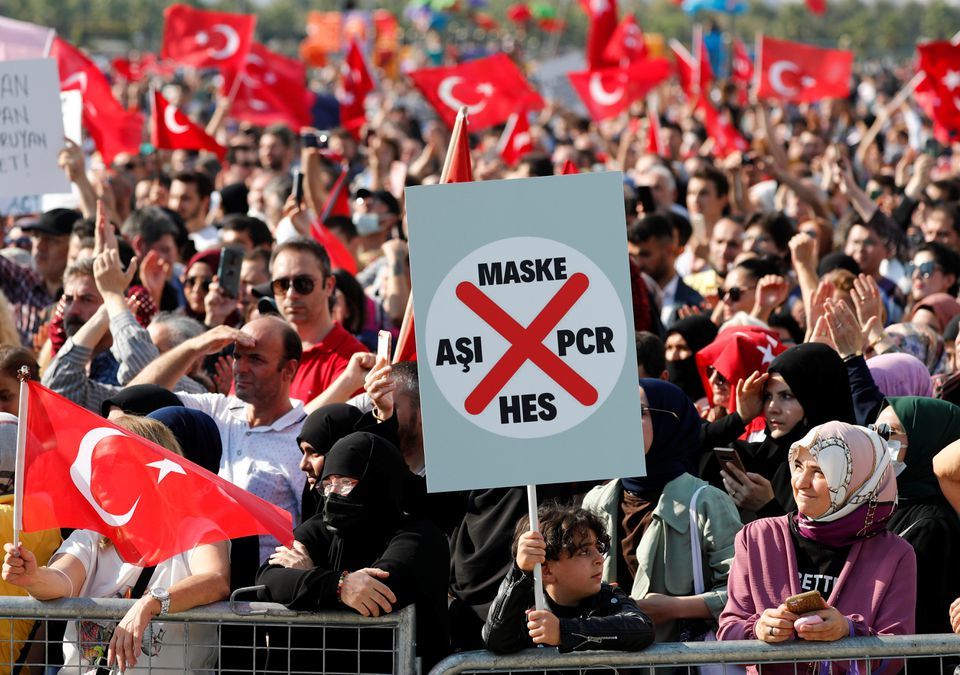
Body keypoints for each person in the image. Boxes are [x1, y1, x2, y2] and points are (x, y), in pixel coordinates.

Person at [1, 415, 230, 673]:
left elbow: (215, 579)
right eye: (95, 465)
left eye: (114, 463)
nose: (98, 475)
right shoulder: (91, 536)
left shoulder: (198, 530)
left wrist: (150, 603)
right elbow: (62, 580)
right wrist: (32, 576)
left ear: (154, 469)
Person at [718, 422, 916, 675]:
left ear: (855, 480)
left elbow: (897, 653)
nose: (801, 482)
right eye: (798, 466)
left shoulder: (895, 554)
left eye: (820, 471)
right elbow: (728, 631)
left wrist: (848, 630)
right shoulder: (756, 537)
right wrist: (759, 629)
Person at [257, 432, 450, 670]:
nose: (333, 495)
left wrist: (310, 577)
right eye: (327, 484)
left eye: (345, 483)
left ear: (377, 481)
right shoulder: (323, 526)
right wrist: (339, 586)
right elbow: (268, 577)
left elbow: (378, 590)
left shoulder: (420, 535)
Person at [129, 316, 307, 562]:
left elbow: (311, 531)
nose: (241, 368)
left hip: (254, 593)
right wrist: (194, 347)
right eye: (237, 356)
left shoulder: (303, 439)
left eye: (255, 359)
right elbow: (132, 400)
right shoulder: (215, 408)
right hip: (192, 581)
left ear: (288, 369)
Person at [582, 379, 742, 643]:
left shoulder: (706, 502)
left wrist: (674, 608)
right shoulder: (596, 501)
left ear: (672, 423)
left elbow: (741, 590)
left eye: (637, 412)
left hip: (677, 663)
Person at [708, 343, 855, 522]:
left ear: (816, 400)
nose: (772, 408)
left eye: (787, 396)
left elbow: (819, 547)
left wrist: (767, 507)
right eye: (768, 396)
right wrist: (739, 419)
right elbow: (683, 447)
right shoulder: (758, 457)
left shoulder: (842, 470)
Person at [482, 504, 655, 654]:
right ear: (546, 570)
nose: (600, 559)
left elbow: (642, 627)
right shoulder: (527, 608)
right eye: (584, 552)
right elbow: (496, 640)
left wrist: (563, 631)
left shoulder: (608, 597)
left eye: (597, 548)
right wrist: (520, 572)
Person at [873, 397, 960, 635]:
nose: (876, 441)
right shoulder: (884, 506)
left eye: (887, 432)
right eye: (873, 430)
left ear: (927, 440)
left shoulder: (932, 524)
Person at [270, 237, 369, 403]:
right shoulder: (261, 348)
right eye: (282, 284)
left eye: (303, 283)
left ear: (329, 286)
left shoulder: (354, 362)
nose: (291, 294)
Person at [665, 314, 718, 403]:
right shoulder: (660, 401)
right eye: (669, 347)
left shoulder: (721, 402)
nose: (673, 356)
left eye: (682, 348)